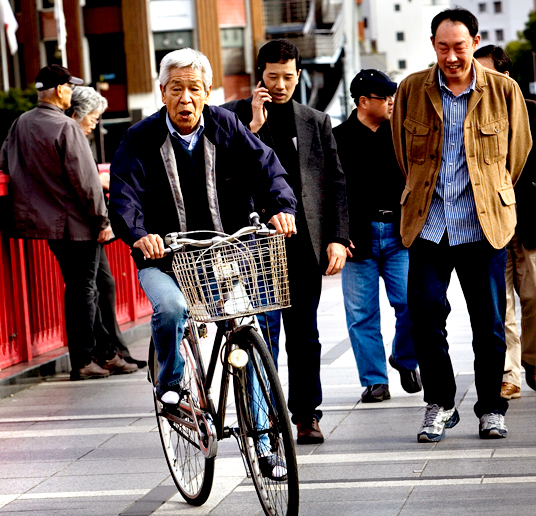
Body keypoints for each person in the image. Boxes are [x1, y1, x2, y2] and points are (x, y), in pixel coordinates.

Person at [109, 48, 297, 476]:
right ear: (162, 93)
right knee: (172, 309)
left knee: (247, 336)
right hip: (165, 258)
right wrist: (140, 235)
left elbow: (266, 167)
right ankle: (171, 384)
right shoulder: (140, 138)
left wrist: (280, 207)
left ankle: (265, 442)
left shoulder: (226, 125)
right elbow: (123, 195)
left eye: (195, 89)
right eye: (177, 89)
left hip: (221, 255)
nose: (186, 98)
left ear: (207, 92)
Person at [391, 8, 532, 442]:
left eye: (459, 46)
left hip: (482, 225)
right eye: (442, 47)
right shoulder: (413, 89)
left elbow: (518, 153)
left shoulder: (503, 90)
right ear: (433, 45)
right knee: (424, 316)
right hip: (429, 225)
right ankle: (440, 402)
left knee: (487, 322)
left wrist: (492, 194)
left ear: (474, 41)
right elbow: (401, 151)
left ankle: (491, 407)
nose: (451, 56)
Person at [221, 39, 350, 444]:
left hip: (302, 245)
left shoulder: (314, 120)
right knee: (261, 335)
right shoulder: (230, 118)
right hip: (250, 246)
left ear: (299, 76)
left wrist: (337, 238)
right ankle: (263, 419)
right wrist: (252, 129)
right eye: (272, 76)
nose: (280, 85)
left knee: (305, 334)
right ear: (259, 73)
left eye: (288, 77)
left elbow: (334, 183)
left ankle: (306, 415)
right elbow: (219, 178)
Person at [0, 65, 134, 381]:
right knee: (84, 290)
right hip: (77, 223)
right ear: (61, 90)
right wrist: (103, 219)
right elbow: (87, 182)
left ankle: (106, 354)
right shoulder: (66, 127)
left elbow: (5, 161)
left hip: (45, 223)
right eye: (69, 87)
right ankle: (84, 360)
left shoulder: (21, 123)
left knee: (86, 286)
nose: (71, 92)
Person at [333, 70, 422, 403]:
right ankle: (374, 381)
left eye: (393, 97)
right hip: (357, 238)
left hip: (399, 235)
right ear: (363, 101)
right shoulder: (337, 138)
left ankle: (404, 357)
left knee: (414, 304)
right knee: (361, 314)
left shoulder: (400, 134)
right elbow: (329, 192)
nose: (391, 103)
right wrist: (338, 235)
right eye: (386, 98)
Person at [473, 45, 536, 398]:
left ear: (506, 76)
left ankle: (532, 358)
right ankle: (508, 373)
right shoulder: (470, 116)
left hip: (529, 223)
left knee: (534, 296)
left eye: (489, 73)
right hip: (489, 225)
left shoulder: (533, 114)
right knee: (499, 306)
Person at [67, 86, 142, 369]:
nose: (95, 125)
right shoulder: (71, 135)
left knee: (101, 285)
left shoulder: (73, 137)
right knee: (90, 288)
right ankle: (101, 354)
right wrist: (104, 220)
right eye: (94, 119)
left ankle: (111, 350)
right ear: (78, 114)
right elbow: (80, 181)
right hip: (84, 223)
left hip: (84, 221)